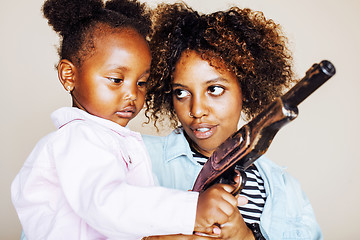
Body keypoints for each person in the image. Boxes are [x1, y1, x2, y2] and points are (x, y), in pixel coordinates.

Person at [11, 0, 241, 239]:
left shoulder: (114, 141)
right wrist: (191, 208)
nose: (133, 94)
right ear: (69, 75)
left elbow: (134, 219)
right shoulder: (78, 138)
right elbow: (108, 205)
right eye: (116, 79)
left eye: (141, 82)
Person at [143, 2, 323, 239]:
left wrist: (246, 237)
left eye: (215, 89)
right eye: (181, 93)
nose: (196, 110)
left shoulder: (285, 189)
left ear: (246, 90)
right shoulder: (134, 157)